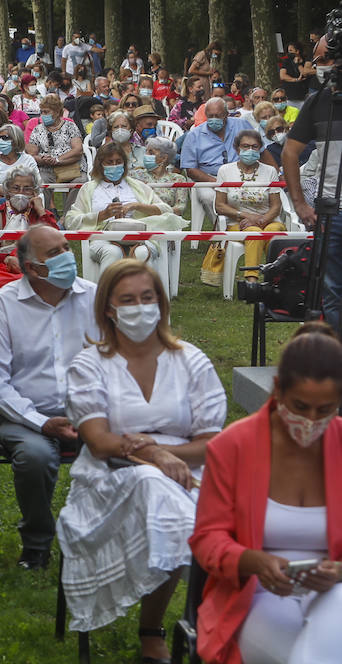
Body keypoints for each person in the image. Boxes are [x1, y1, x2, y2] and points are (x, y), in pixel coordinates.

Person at [56, 259, 226, 660]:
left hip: (190, 475)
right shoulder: (90, 365)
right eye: (128, 300)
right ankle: (156, 628)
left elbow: (211, 443)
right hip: (110, 476)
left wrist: (163, 454)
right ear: (109, 310)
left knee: (169, 496)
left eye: (147, 298)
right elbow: (98, 442)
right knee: (155, 488)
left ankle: (190, 621)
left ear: (161, 303)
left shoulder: (191, 361)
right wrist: (151, 456)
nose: (139, 307)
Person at [190, 323, 342, 664]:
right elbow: (207, 538)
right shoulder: (234, 446)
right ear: (277, 389)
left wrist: (339, 571)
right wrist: (255, 561)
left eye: (326, 410)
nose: (311, 421)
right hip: (253, 592)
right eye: (300, 406)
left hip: (334, 591)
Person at [0, 224, 98, 569]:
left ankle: (102, 539)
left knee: (128, 448)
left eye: (66, 248)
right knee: (34, 456)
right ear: (32, 268)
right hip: (25, 417)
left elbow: (117, 363)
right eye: (56, 253)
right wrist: (43, 423)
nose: (68, 257)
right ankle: (37, 543)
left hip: (90, 413)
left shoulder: (93, 296)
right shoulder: (4, 305)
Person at [282, 33, 341, 330]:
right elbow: (289, 152)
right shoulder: (318, 102)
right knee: (333, 294)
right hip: (332, 213)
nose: (317, 67)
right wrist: (299, 204)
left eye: (323, 60)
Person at [66, 142, 186, 277]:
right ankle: (106, 296)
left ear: (124, 164)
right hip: (102, 237)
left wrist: (136, 206)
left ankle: (146, 295)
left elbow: (166, 210)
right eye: (109, 162)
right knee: (112, 252)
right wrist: (101, 215)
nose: (114, 166)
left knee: (143, 253)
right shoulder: (89, 189)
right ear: (100, 165)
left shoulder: (137, 186)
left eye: (118, 162)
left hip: (140, 238)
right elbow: (71, 221)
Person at [0, 163, 59, 319]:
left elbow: (56, 245)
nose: (21, 193)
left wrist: (41, 211)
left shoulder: (40, 215)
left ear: (35, 192)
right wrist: (6, 258)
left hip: (34, 269)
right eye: (15, 188)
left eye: (27, 189)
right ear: (7, 191)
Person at [212, 129, 284, 283]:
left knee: (275, 230)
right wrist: (246, 216)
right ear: (237, 148)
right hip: (237, 222)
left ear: (260, 149)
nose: (250, 150)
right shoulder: (225, 171)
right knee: (254, 233)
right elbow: (220, 205)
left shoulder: (270, 171)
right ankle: (251, 279)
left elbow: (276, 205)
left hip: (268, 220)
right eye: (245, 146)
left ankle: (277, 279)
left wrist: (262, 220)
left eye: (254, 146)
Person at [182, 98, 252, 228]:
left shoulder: (242, 125)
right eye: (210, 116)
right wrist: (216, 182)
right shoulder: (194, 135)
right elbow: (190, 170)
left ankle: (249, 223)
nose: (214, 119)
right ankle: (224, 231)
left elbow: (262, 151)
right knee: (208, 196)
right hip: (209, 178)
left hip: (243, 174)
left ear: (226, 114)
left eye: (218, 115)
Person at [27, 93, 85, 184]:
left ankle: (71, 199)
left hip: (71, 167)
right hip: (46, 169)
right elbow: (31, 155)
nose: (42, 115)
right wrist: (44, 160)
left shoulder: (70, 126)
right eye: (41, 112)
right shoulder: (37, 130)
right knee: (40, 181)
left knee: (80, 181)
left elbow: (78, 150)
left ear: (57, 112)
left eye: (46, 112)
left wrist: (57, 160)